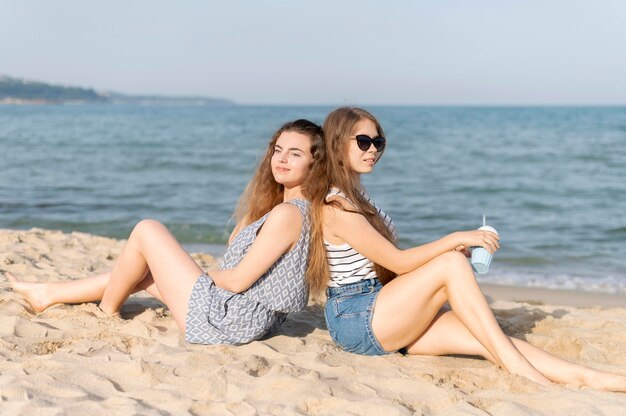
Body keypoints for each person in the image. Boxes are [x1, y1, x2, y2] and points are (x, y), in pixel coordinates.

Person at [315, 106, 626, 392]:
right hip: (357, 317)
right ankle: (517, 367)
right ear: (338, 142)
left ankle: (595, 378)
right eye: (364, 141)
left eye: (378, 142)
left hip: (386, 309)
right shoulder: (335, 206)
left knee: (487, 338)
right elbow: (397, 262)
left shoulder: (357, 194)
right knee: (452, 265)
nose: (373, 150)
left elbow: (390, 264)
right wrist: (454, 240)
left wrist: (452, 252)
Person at [6, 118, 329, 345]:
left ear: (314, 165)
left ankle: (107, 311)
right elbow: (235, 248)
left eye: (295, 154)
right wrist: (262, 196)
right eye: (278, 150)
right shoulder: (283, 208)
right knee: (138, 269)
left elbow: (238, 279)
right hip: (243, 317)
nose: (281, 159)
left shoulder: (288, 213)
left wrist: (195, 276)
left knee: (148, 229)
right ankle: (48, 294)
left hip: (232, 320)